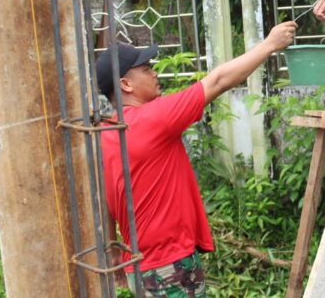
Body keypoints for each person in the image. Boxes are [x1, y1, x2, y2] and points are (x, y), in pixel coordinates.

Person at [96, 21, 297, 297]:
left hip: (138, 267)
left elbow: (104, 198)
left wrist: (113, 250)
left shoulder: (105, 132)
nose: (155, 73)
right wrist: (270, 44)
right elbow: (219, 80)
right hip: (169, 267)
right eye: (146, 69)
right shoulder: (154, 118)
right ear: (126, 84)